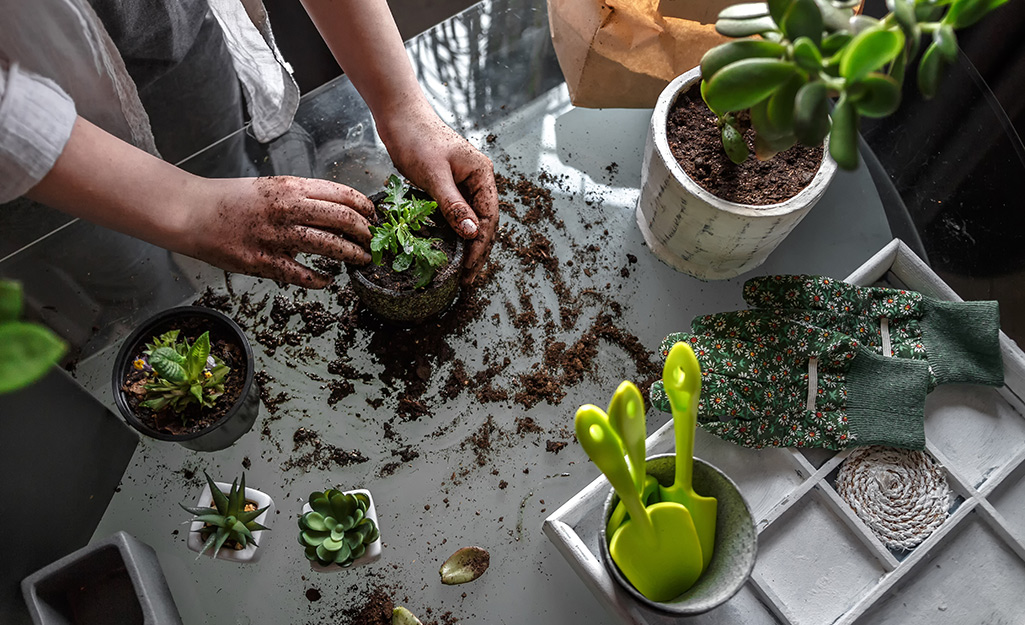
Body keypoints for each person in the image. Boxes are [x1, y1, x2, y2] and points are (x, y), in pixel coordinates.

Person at [0, 0, 498, 289]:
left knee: (227, 170)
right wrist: (189, 212)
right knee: (125, 270)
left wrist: (400, 107)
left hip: (187, 42)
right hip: (42, 158)